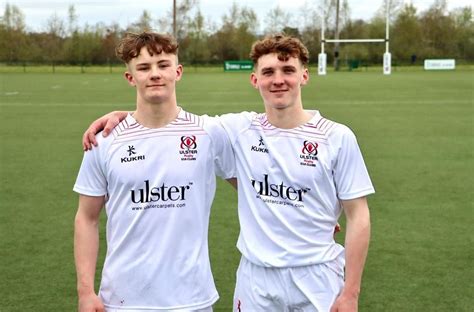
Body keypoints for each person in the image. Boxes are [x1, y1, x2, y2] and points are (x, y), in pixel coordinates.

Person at [83, 34, 374, 312]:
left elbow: (359, 216)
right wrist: (124, 117)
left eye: (288, 70)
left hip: (319, 275)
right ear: (254, 79)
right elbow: (161, 123)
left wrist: (351, 292)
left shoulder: (336, 137)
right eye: (269, 71)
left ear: (304, 75)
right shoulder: (236, 130)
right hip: (256, 279)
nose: (278, 80)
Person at [73, 32, 235, 312]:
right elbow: (86, 218)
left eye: (163, 65)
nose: (155, 74)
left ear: (178, 71)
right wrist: (85, 291)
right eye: (144, 68)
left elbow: (255, 188)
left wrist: (304, 214)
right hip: (122, 300)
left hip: (191, 299)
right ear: (130, 77)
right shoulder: (105, 140)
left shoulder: (209, 133)